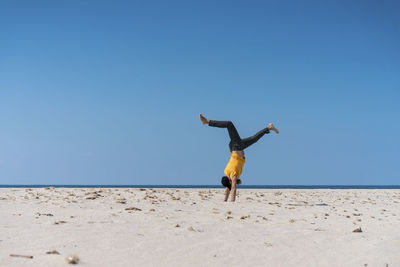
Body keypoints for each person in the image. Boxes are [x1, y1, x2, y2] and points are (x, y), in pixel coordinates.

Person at [199, 114, 279, 202]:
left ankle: (207, 122)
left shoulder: (233, 174)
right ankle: (268, 128)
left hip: (236, 147)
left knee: (229, 124)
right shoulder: (227, 172)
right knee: (254, 139)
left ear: (229, 181)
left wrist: (232, 201)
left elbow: (233, 188)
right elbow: (229, 188)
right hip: (238, 147)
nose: (232, 183)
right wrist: (225, 200)